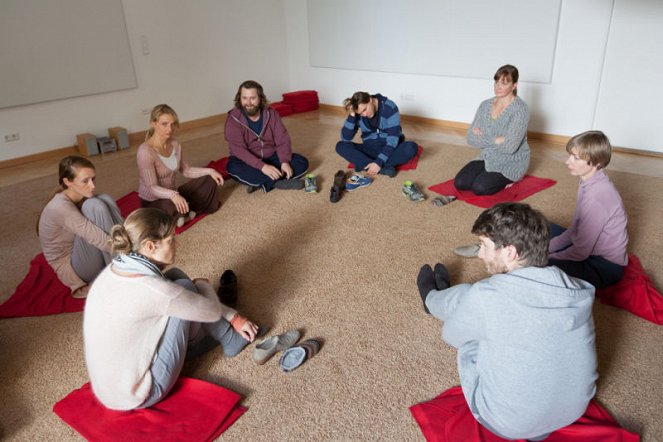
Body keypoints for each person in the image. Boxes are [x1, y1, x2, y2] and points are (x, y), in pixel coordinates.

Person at [417, 203, 597, 441]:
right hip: (571, 412)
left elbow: (451, 336)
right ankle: (442, 297)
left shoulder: (486, 295)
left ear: (510, 252)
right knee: (478, 305)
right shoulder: (575, 288)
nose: (480, 254)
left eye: (484, 246)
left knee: (469, 318)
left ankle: (431, 298)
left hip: (505, 422)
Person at [84, 208, 261, 410]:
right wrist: (205, 288)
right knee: (186, 288)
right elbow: (211, 311)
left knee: (175, 275)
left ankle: (214, 333)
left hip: (110, 387)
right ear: (150, 246)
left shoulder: (115, 269)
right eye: (171, 240)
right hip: (141, 391)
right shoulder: (156, 290)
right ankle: (230, 339)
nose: (177, 244)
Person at [548, 130, 628, 288]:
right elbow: (574, 229)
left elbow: (580, 253)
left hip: (603, 267)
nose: (567, 162)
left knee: (534, 264)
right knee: (541, 227)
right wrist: (547, 247)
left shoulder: (598, 197)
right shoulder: (587, 182)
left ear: (597, 162)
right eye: (570, 155)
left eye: (576, 158)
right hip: (587, 250)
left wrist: (546, 256)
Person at [38, 155, 124, 298]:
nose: (92, 185)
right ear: (68, 181)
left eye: (93, 179)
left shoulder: (77, 196)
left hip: (84, 254)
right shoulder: (60, 207)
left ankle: (125, 254)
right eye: (85, 181)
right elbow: (98, 239)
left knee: (104, 198)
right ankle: (121, 269)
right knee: (94, 205)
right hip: (73, 267)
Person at [137, 104, 223, 227]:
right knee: (171, 207)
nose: (170, 129)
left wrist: (210, 171)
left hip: (173, 193)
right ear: (153, 123)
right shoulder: (145, 151)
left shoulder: (175, 144)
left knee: (210, 180)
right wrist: (173, 195)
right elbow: (152, 187)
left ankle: (185, 210)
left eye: (172, 124)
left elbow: (186, 170)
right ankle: (188, 209)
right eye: (164, 124)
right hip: (154, 200)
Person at [454, 64, 530, 195]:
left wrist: (484, 137)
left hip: (511, 162)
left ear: (514, 85)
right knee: (460, 183)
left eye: (504, 83)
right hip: (486, 156)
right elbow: (471, 139)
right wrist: (497, 139)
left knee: (480, 188)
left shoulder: (520, 110)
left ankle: (509, 181)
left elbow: (510, 147)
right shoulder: (485, 105)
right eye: (496, 82)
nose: (498, 86)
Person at [225, 80, 309, 193]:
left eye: (252, 98)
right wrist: (262, 167)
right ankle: (278, 182)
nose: (248, 103)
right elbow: (239, 150)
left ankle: (262, 182)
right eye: (244, 98)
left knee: (302, 162)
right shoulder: (233, 119)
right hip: (247, 161)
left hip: (271, 156)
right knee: (232, 168)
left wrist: (284, 161)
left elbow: (282, 139)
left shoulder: (272, 114)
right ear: (239, 98)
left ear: (260, 98)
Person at [336, 92, 418, 178]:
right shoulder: (358, 113)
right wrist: (352, 115)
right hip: (370, 148)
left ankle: (366, 165)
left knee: (411, 147)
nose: (364, 114)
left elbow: (392, 141)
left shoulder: (389, 107)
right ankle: (382, 168)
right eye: (360, 113)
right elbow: (345, 138)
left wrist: (378, 162)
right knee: (340, 146)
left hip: (390, 149)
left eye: (365, 109)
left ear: (370, 100)